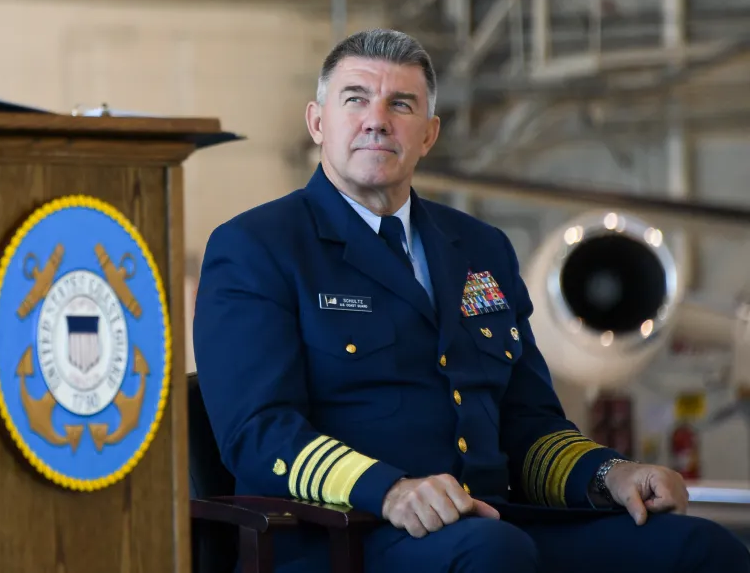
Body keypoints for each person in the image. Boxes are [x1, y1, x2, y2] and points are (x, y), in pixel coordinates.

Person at [192, 28, 750, 573]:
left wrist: (610, 475)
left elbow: (527, 424)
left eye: (401, 104)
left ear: (429, 134)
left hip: (494, 524)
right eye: (355, 99)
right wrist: (388, 491)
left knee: (700, 547)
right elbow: (258, 432)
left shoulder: (481, 248)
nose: (377, 120)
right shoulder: (256, 247)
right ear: (318, 122)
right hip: (342, 537)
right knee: (493, 553)